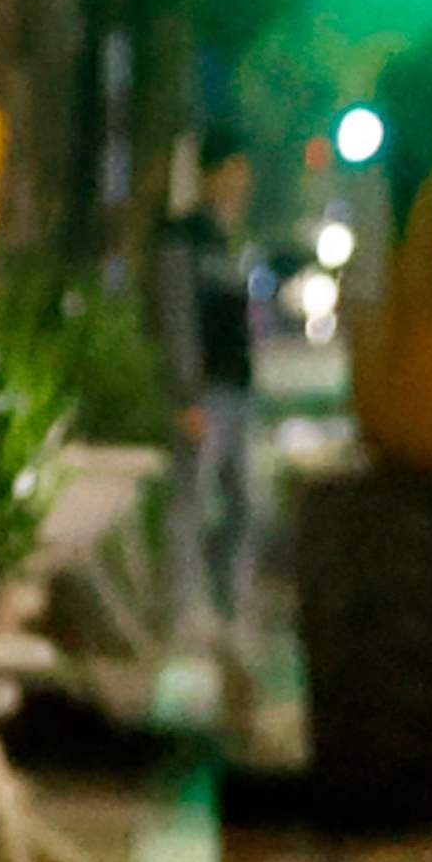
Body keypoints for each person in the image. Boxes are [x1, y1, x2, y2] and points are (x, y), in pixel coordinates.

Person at [153, 131, 264, 629]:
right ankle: (184, 611)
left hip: (238, 391)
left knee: (243, 503)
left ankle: (230, 605)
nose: (241, 183)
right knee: (192, 501)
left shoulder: (232, 238)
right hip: (205, 393)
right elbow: (178, 319)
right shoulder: (184, 239)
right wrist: (187, 394)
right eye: (233, 171)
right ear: (209, 175)